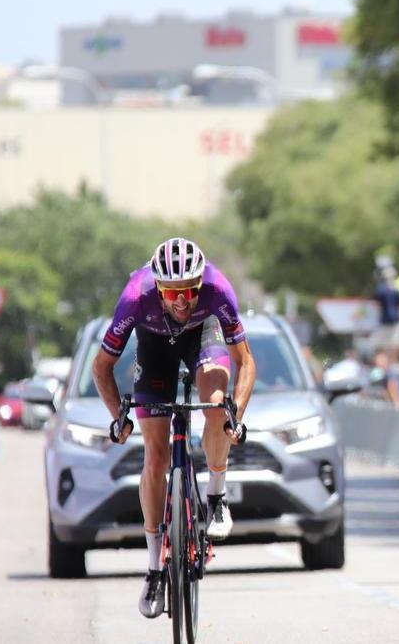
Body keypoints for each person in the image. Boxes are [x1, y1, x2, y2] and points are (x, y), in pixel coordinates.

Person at [92, 237, 256, 618]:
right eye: (171, 292)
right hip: (154, 347)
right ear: (157, 286)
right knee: (155, 454)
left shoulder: (217, 289)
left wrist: (237, 415)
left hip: (203, 338)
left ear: (201, 283)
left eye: (189, 291)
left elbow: (245, 363)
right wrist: (119, 415)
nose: (182, 301)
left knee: (216, 404)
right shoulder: (135, 296)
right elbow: (101, 367)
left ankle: (216, 496)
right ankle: (153, 569)